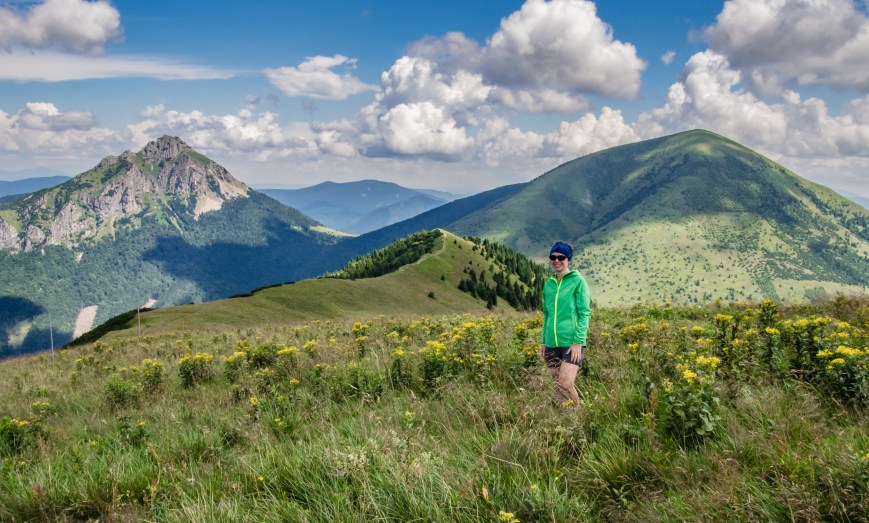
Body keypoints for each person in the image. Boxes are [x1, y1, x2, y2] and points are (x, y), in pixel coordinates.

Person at [540, 241, 591, 406]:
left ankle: (580, 413)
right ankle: (565, 417)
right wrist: (543, 341)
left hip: (571, 342)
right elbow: (547, 314)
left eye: (561, 257)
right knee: (557, 386)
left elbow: (584, 313)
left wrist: (578, 342)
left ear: (568, 259)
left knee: (565, 383)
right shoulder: (548, 285)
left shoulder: (578, 281)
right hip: (551, 343)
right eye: (553, 257)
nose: (557, 260)